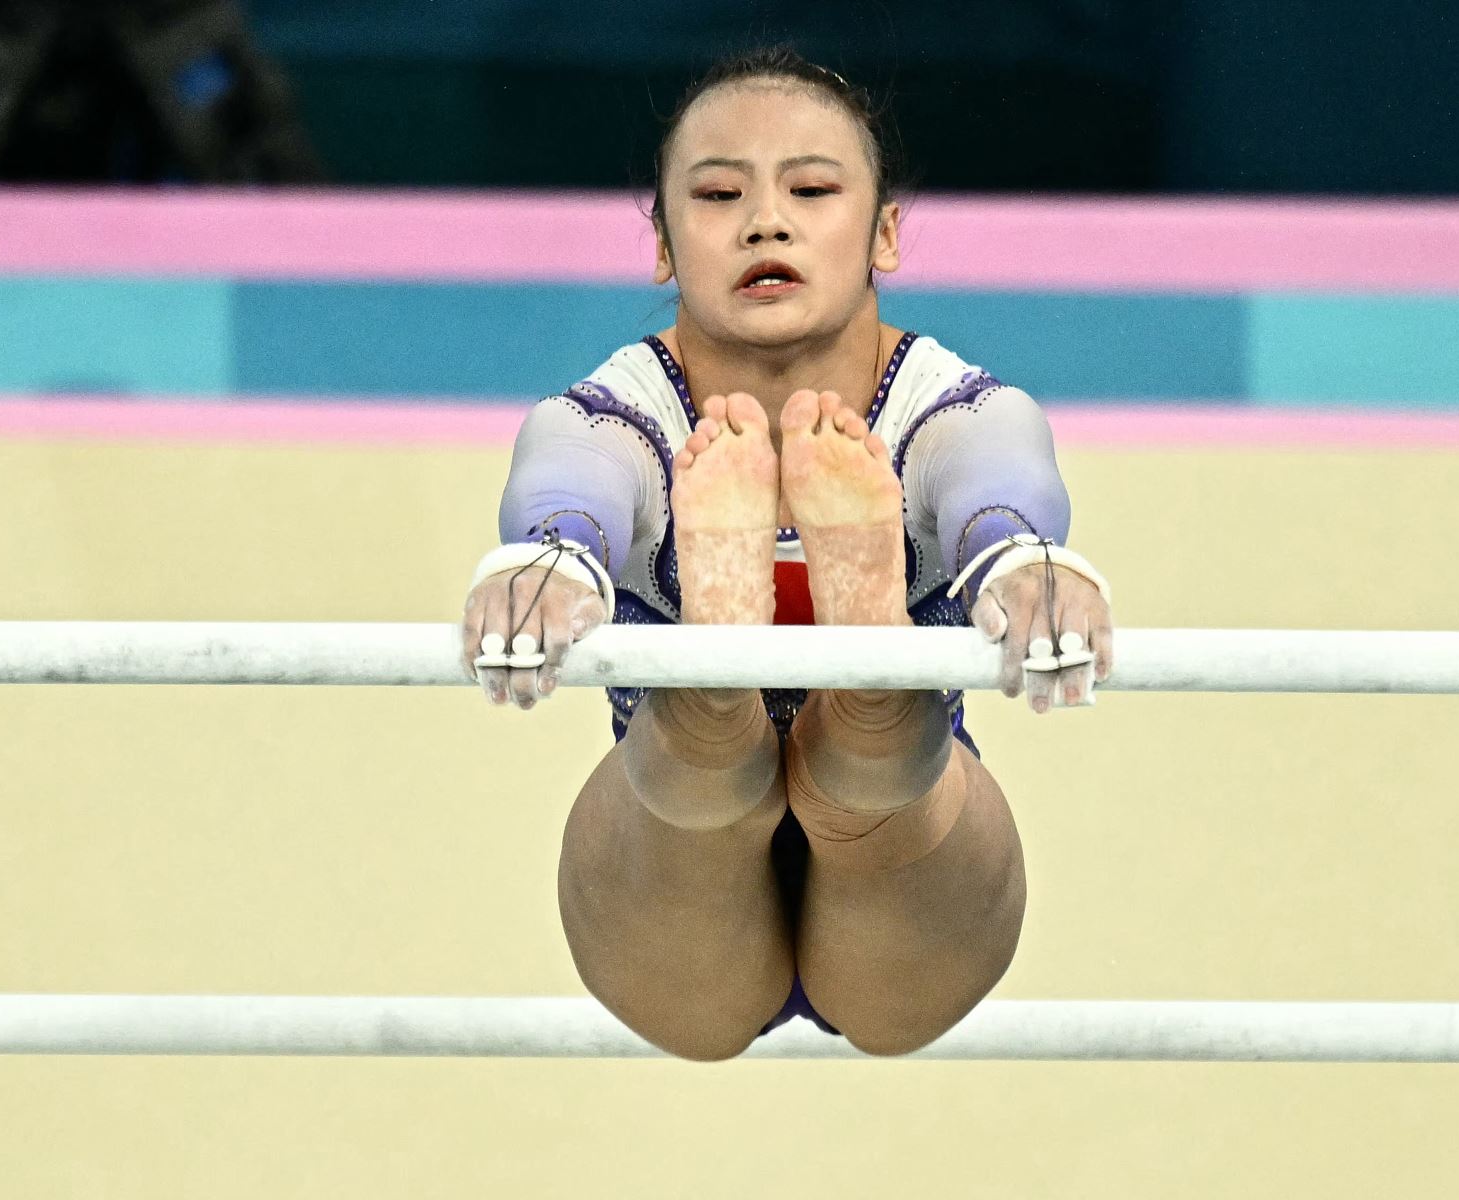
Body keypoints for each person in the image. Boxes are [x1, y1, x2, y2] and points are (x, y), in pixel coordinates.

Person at [461, 47, 1112, 1060]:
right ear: (665, 246)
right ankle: (736, 705)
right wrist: (554, 553)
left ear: (886, 228)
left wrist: (1021, 556)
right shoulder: (628, 414)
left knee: (815, 780)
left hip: (868, 881)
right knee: (718, 783)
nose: (767, 219)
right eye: (719, 193)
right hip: (688, 887)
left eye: (811, 187)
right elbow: (575, 462)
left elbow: (993, 460)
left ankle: (849, 694)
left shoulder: (938, 408)